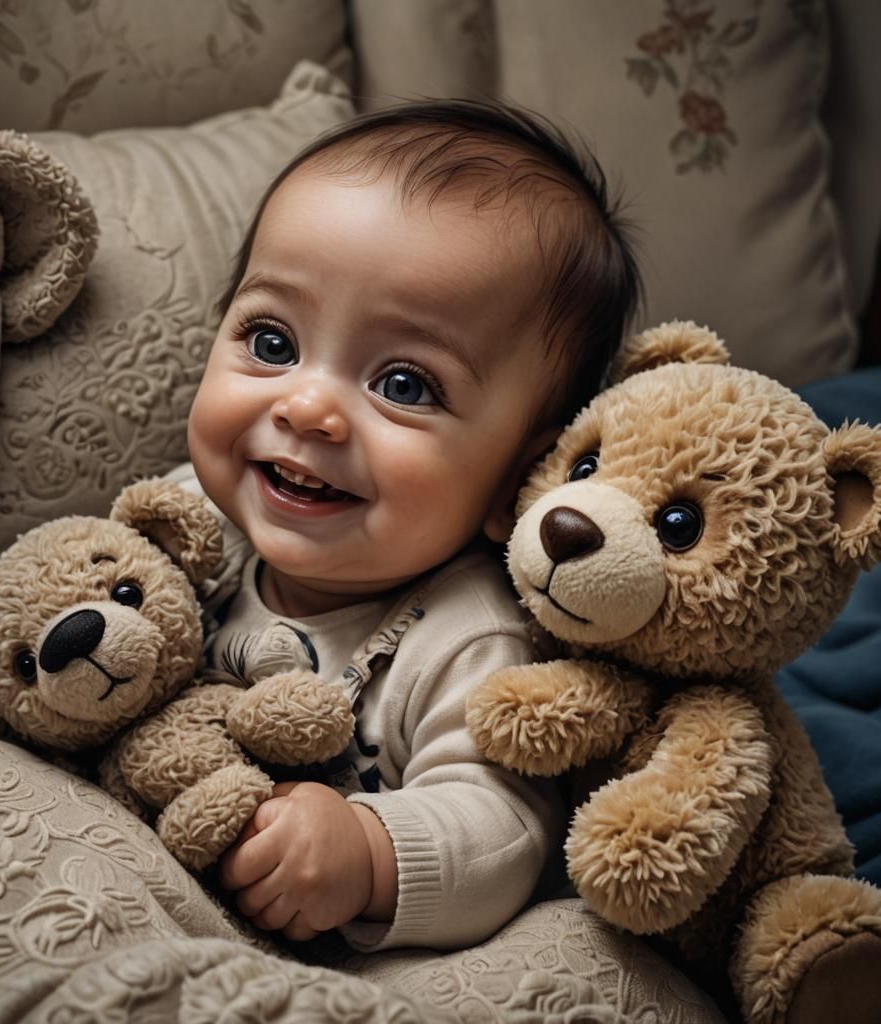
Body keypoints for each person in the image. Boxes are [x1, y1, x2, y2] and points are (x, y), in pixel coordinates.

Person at [182, 99, 642, 952]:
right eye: (273, 342)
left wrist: (366, 852)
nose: (309, 406)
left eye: (404, 385)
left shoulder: (473, 638)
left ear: (516, 480)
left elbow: (499, 828)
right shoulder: (189, 522)